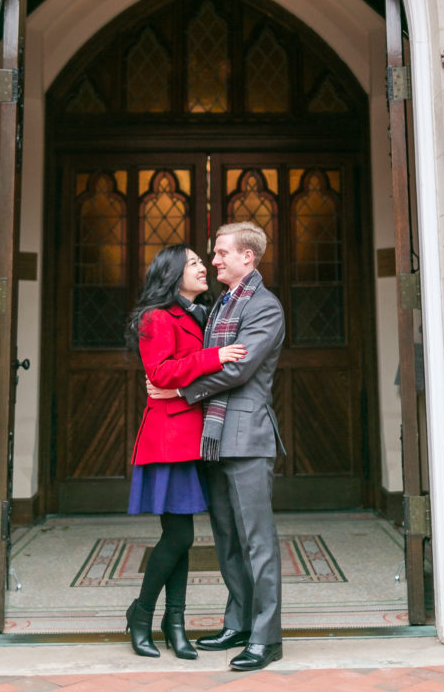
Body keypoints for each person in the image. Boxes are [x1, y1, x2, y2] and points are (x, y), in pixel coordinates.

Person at [147, 221, 286, 672]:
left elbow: (238, 371)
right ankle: (238, 622)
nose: (214, 260)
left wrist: (180, 394)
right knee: (227, 539)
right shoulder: (218, 305)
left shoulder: (264, 307)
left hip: (247, 438)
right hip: (212, 438)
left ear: (248, 257)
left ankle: (267, 638)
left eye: (223, 252)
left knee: (257, 542)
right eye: (213, 253)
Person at [125, 243, 246, 660]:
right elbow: (158, 373)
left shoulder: (202, 314)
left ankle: (174, 625)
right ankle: (141, 615)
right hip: (169, 439)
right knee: (180, 535)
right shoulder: (156, 317)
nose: (203, 268)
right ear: (173, 272)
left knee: (179, 538)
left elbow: (177, 374)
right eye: (194, 262)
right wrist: (215, 357)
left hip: (193, 439)